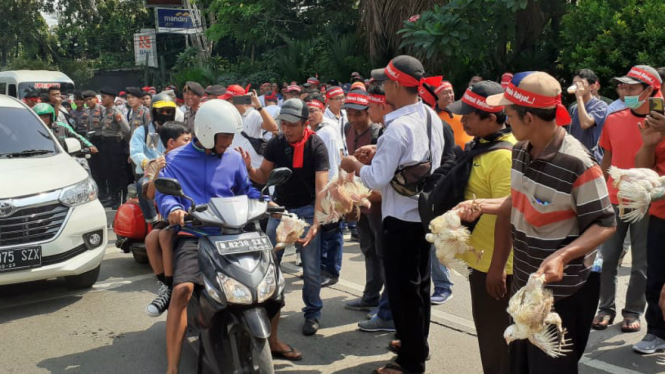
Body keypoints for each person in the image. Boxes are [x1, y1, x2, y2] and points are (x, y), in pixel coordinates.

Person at [458, 71, 616, 374]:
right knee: (520, 365)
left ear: (529, 117)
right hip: (525, 286)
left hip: (564, 294)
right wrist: (479, 206)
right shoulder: (519, 152)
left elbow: (605, 223)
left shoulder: (578, 163)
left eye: (509, 115)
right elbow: (517, 201)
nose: (506, 121)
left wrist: (562, 256)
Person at [156, 100, 300, 373]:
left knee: (271, 285)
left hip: (234, 232)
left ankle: (272, 338)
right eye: (225, 136)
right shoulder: (175, 160)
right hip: (195, 233)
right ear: (208, 131)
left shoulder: (233, 158)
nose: (230, 141)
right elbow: (165, 196)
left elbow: (246, 189)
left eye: (232, 135)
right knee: (182, 290)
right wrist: (174, 209)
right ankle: (172, 366)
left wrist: (266, 202)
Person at [341, 55, 445, 374]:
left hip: (400, 220)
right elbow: (421, 159)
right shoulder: (429, 116)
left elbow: (375, 179)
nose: (383, 87)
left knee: (402, 292)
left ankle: (410, 362)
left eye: (385, 82)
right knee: (419, 287)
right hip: (424, 215)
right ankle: (417, 344)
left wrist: (356, 165)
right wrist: (379, 154)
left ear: (397, 85)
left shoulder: (397, 127)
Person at [238, 98, 329, 336]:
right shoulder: (276, 144)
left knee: (310, 268)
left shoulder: (316, 146)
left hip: (308, 209)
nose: (286, 129)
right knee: (270, 262)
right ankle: (270, 308)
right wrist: (249, 168)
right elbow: (262, 177)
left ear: (304, 123)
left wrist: (316, 223)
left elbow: (322, 188)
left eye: (291, 124)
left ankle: (312, 313)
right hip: (280, 209)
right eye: (283, 123)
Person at [447, 81, 516, 374]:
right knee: (490, 335)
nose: (462, 121)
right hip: (482, 259)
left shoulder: (502, 156)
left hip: (497, 264)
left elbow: (508, 213)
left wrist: (497, 267)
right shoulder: (483, 146)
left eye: (470, 115)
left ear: (492, 118)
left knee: (496, 339)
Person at [593, 65, 660, 335]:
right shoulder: (614, 119)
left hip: (648, 202)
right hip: (613, 199)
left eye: (632, 88)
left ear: (651, 90)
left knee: (641, 264)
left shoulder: (661, 124)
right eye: (623, 87)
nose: (625, 92)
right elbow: (606, 162)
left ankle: (632, 311)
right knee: (608, 258)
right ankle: (605, 308)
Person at [343, 86, 395, 332]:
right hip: (358, 200)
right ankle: (371, 295)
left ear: (369, 112)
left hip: (378, 202)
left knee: (383, 252)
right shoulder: (347, 130)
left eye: (358, 114)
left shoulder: (379, 133)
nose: (353, 120)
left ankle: (386, 306)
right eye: (349, 114)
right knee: (368, 249)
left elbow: (382, 175)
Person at [626, 66, 665, 353]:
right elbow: (642, 169)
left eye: (633, 87)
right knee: (656, 278)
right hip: (660, 212)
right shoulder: (655, 122)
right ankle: (657, 333)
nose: (627, 92)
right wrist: (650, 143)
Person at [143, 121, 191, 317]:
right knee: (150, 239)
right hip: (170, 213)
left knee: (163, 237)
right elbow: (150, 195)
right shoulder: (156, 163)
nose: (190, 143)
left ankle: (171, 285)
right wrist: (157, 173)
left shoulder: (192, 159)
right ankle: (164, 286)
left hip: (191, 210)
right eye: (186, 140)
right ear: (171, 142)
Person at [304, 93, 346, 288]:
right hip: (320, 189)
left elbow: (330, 164)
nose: (310, 114)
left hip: (329, 189)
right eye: (307, 111)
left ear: (322, 110)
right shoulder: (313, 130)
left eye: (314, 110)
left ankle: (331, 271)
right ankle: (320, 269)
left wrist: (329, 192)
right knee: (323, 230)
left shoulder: (326, 132)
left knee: (332, 232)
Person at [130, 92, 177, 225]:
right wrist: (148, 163)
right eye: (162, 111)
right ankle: (152, 221)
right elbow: (135, 152)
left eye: (169, 111)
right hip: (150, 173)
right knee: (141, 185)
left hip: (173, 171)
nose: (165, 113)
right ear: (154, 112)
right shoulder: (142, 131)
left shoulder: (178, 131)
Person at [224, 85, 279, 177]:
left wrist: (258, 106)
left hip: (254, 171)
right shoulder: (229, 117)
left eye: (227, 100)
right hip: (235, 171)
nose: (226, 103)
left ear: (236, 100)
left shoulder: (253, 114)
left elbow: (273, 127)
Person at [99, 87, 131, 209]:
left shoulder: (116, 112)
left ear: (112, 98)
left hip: (115, 144)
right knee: (109, 172)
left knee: (118, 172)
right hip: (105, 143)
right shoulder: (105, 111)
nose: (102, 99)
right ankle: (113, 197)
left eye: (104, 97)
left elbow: (127, 130)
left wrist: (121, 140)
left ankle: (120, 199)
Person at [567, 69, 608, 157]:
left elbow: (585, 123)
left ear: (592, 87)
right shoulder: (574, 108)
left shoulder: (601, 106)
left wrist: (579, 97)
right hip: (574, 156)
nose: (577, 86)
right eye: (575, 83)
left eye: (580, 83)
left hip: (591, 158)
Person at [33, 103, 97, 153]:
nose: (43, 119)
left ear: (51, 116)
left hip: (62, 158)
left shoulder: (61, 126)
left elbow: (77, 136)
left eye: (45, 116)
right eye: (40, 117)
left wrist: (90, 145)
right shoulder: (31, 130)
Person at [436, 81, 473, 149]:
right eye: (445, 93)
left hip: (469, 152)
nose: (449, 96)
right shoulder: (434, 116)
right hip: (450, 157)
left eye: (450, 92)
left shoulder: (462, 109)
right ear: (436, 96)